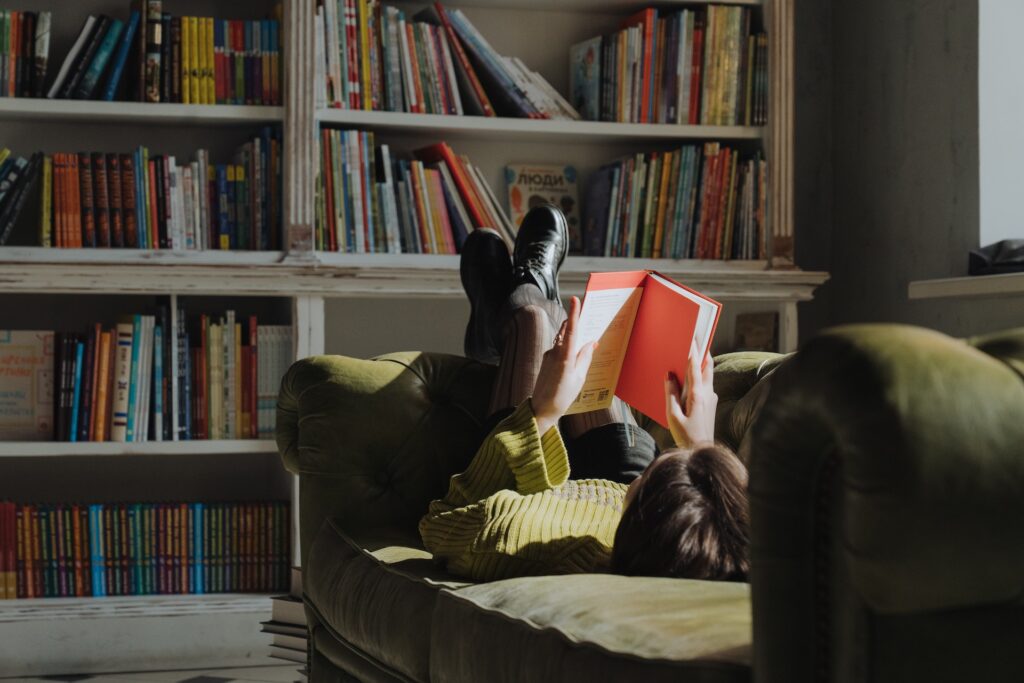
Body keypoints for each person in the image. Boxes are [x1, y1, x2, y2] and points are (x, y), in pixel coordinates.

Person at [419, 205, 749, 582]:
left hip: (531, 490)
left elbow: (441, 526)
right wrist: (700, 446)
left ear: (644, 514)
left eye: (671, 460)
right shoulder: (681, 535)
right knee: (579, 341)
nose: (673, 451)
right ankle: (515, 307)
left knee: (535, 322)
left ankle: (517, 306)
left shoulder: (524, 539)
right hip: (631, 498)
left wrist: (543, 412)